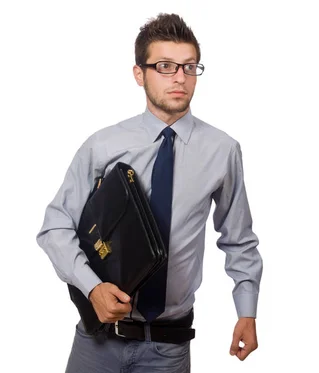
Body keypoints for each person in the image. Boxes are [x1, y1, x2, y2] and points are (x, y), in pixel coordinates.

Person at [36, 13, 263, 373]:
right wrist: (93, 288)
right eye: (165, 66)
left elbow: (238, 239)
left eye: (189, 67)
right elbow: (55, 227)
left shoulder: (223, 150)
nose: (179, 78)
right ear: (139, 74)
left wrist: (247, 311)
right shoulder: (103, 145)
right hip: (96, 341)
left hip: (169, 347)